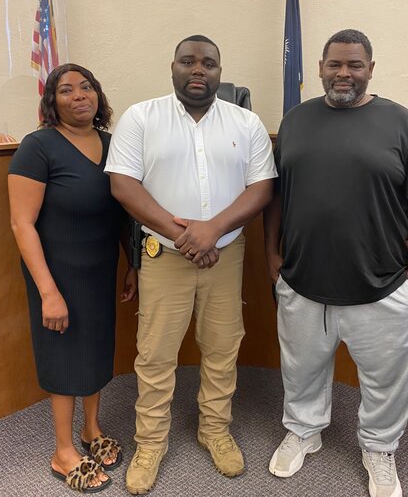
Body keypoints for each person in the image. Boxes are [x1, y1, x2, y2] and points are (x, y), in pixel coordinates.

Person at [264, 29, 408, 497]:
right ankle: (304, 431)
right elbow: (276, 196)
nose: (344, 73)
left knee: (387, 381)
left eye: (355, 65)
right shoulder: (296, 121)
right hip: (302, 281)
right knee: (300, 370)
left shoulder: (402, 124)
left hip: (382, 285)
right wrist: (273, 257)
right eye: (335, 64)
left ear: (370, 69)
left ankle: (379, 449)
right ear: (320, 67)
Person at [105, 35, 277, 494]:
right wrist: (187, 234)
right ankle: (151, 443)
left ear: (220, 72)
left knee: (223, 348)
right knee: (156, 353)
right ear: (173, 66)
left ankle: (214, 430)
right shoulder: (142, 117)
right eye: (188, 61)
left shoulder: (247, 121)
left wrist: (213, 228)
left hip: (226, 254)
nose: (198, 70)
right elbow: (123, 184)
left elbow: (261, 188)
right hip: (164, 255)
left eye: (209, 63)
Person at [8, 63, 137, 493]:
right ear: (52, 100)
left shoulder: (112, 143)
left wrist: (131, 263)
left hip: (100, 270)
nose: (79, 95)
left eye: (87, 87)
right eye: (66, 90)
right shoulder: (37, 147)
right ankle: (63, 450)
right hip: (56, 274)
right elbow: (22, 225)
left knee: (97, 350)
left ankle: (91, 430)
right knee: (64, 357)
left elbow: (123, 212)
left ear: (98, 95)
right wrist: (48, 292)